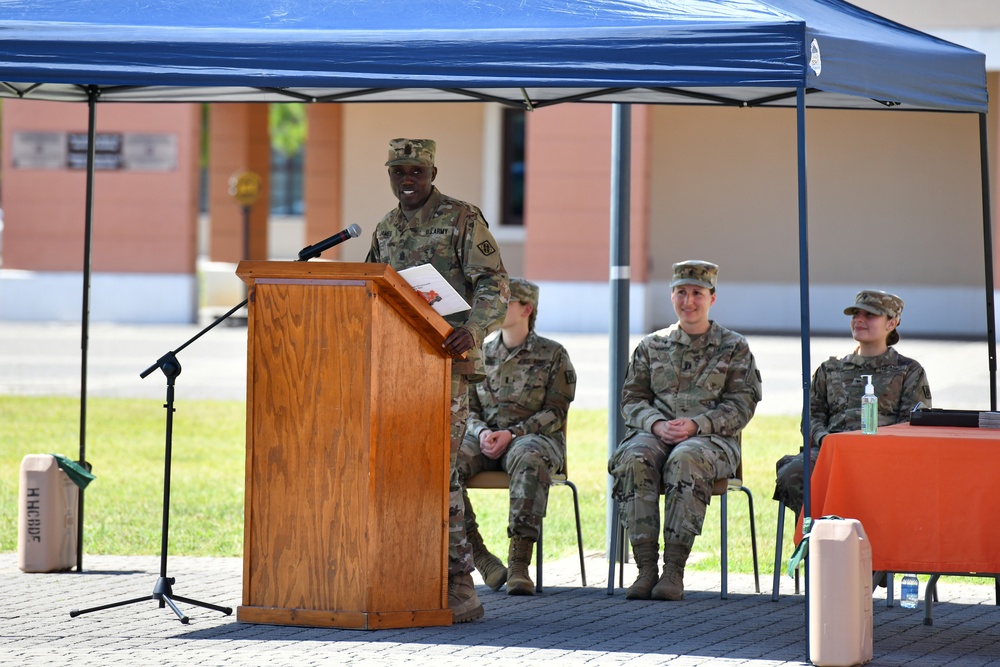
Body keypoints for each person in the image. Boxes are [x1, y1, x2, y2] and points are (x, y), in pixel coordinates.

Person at [366, 138, 509, 623]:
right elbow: (371, 289)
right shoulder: (386, 228)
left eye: (416, 172)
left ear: (432, 173)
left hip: (447, 363)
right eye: (399, 171)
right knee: (399, 473)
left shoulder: (463, 217)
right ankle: (404, 573)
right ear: (389, 174)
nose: (408, 180)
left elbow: (494, 283)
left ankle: (457, 584)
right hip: (394, 367)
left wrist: (474, 329)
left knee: (439, 474)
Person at [608, 260, 762, 601]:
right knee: (634, 456)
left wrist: (698, 424)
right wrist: (656, 424)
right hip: (656, 435)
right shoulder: (652, 345)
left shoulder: (734, 347)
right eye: (681, 292)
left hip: (712, 442)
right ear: (672, 295)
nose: (688, 301)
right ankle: (645, 568)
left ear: (712, 298)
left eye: (697, 293)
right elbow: (631, 400)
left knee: (686, 457)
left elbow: (742, 404)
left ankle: (673, 569)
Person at [456, 278, 577, 596]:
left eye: (505, 302)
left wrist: (513, 433)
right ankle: (480, 556)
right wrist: (482, 432)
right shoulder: (480, 350)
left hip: (533, 437)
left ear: (526, 309)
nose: (496, 307)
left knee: (529, 457)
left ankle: (520, 562)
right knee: (445, 462)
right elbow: (466, 407)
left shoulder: (553, 354)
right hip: (486, 438)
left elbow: (556, 413)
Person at [773, 290, 932, 519]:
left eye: (870, 315)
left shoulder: (908, 370)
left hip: (884, 456)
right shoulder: (831, 368)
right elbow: (811, 418)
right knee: (794, 472)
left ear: (892, 323)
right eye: (856, 314)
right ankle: (820, 536)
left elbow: (913, 423)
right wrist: (825, 439)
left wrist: (875, 446)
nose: (859, 320)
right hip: (832, 452)